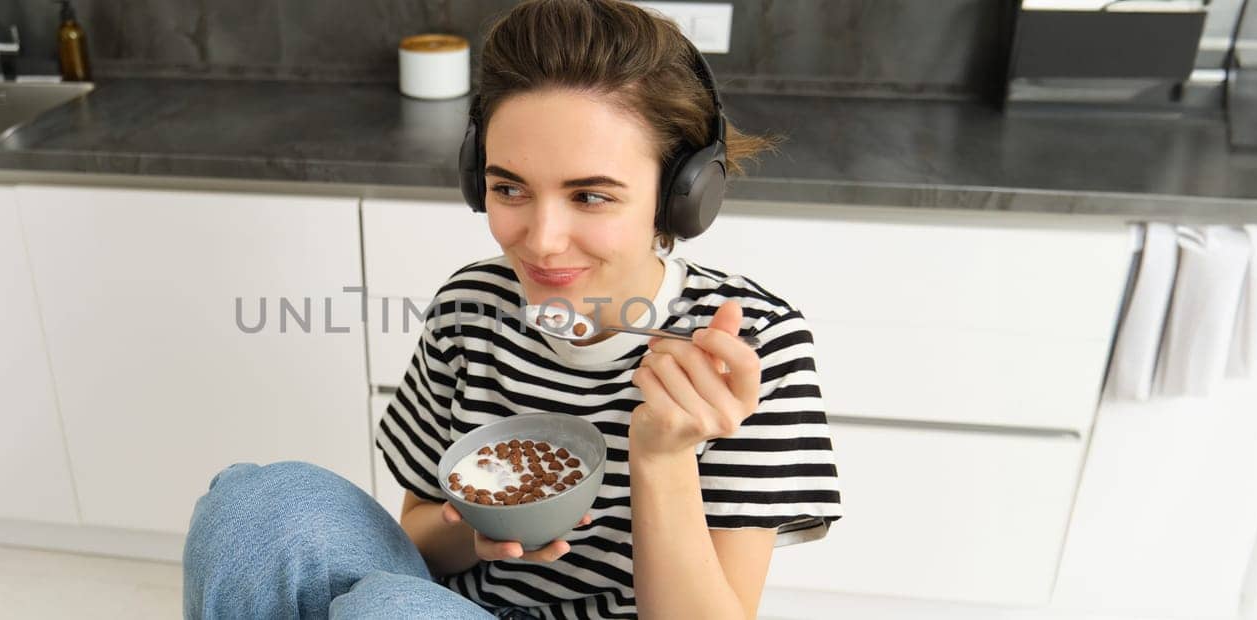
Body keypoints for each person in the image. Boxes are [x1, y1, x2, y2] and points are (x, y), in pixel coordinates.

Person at [184, 1, 842, 617]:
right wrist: (478, 531)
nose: (541, 239)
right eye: (510, 188)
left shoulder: (750, 346)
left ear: (680, 197)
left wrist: (663, 457)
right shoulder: (471, 306)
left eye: (590, 196)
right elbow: (419, 537)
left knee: (383, 609)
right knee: (256, 503)